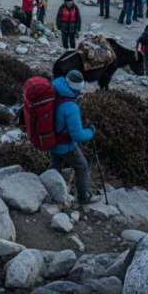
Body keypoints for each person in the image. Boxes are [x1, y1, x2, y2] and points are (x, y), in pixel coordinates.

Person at [49, 71, 94, 204]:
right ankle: (83, 196)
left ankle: (48, 191)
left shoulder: (55, 92)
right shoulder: (70, 106)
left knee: (55, 167)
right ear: (77, 88)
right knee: (82, 167)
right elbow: (77, 135)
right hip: (66, 145)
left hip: (52, 141)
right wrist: (91, 132)